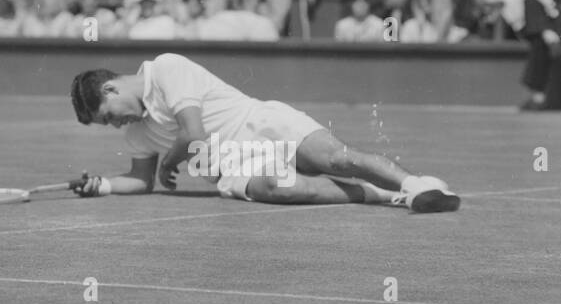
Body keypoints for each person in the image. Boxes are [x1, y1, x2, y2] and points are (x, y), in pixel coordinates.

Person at [67, 53, 460, 212]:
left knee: (340, 160)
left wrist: (170, 160)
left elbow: (193, 134)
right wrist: (102, 184)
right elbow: (140, 181)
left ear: (110, 89)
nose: (115, 125)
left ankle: (418, 184)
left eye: (108, 116)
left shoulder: (166, 68)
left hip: (262, 124)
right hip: (233, 168)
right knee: (281, 187)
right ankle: (388, 194)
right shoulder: (136, 133)